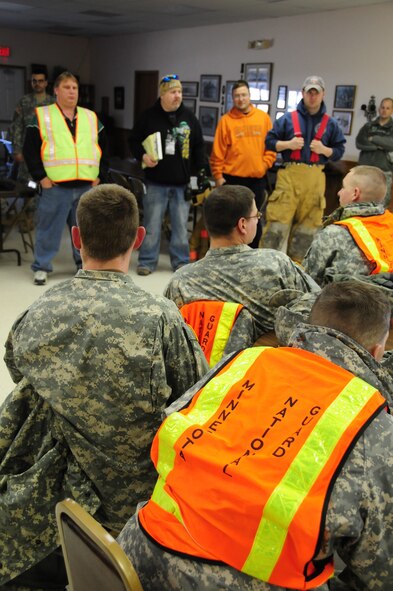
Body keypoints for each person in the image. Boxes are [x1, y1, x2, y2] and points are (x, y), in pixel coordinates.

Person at [118, 280, 393, 591]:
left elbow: (172, 430)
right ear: (377, 351)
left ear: (311, 325)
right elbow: (378, 572)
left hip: (136, 555)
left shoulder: (243, 360)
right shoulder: (374, 428)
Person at [0, 184, 208, 588]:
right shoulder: (162, 319)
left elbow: (15, 368)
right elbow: (194, 398)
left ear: (76, 238)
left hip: (49, 497)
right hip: (129, 509)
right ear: (139, 238)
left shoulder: (36, 310)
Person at [164, 185, 319, 345]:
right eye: (257, 215)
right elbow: (317, 304)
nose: (258, 219)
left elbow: (168, 336)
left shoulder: (180, 282)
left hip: (205, 367)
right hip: (260, 365)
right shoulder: (276, 263)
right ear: (242, 224)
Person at [23, 71, 109, 286]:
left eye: (75, 88)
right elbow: (30, 150)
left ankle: (83, 265)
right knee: (48, 228)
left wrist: (101, 175)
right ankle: (42, 267)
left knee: (85, 230)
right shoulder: (42, 116)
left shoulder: (91, 117)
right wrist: (40, 177)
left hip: (86, 186)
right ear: (56, 90)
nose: (72, 92)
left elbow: (106, 148)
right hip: (55, 187)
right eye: (67, 87)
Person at [129, 74, 208, 276]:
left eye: (180, 92)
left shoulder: (189, 118)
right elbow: (133, 141)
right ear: (163, 94)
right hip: (156, 182)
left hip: (182, 183)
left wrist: (202, 172)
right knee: (152, 225)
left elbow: (199, 146)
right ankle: (147, 262)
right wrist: (143, 156)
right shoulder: (148, 116)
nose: (178, 96)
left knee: (181, 226)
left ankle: (180, 262)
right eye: (173, 92)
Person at [261, 75, 346, 262]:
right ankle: (266, 267)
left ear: (323, 94)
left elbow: (339, 150)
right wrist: (287, 144)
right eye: (310, 92)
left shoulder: (330, 124)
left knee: (307, 232)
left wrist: (324, 150)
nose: (313, 97)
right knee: (276, 228)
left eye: (317, 93)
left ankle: (297, 272)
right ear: (303, 93)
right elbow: (269, 142)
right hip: (289, 177)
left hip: (315, 181)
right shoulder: (287, 120)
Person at [210, 80, 276, 248]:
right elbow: (217, 152)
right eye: (237, 96)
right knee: (231, 221)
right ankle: (230, 254)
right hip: (232, 180)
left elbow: (271, 147)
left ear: (249, 95)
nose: (241, 99)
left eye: (243, 95)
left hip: (256, 180)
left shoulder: (263, 118)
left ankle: (252, 255)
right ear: (233, 98)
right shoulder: (226, 121)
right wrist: (218, 176)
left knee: (254, 220)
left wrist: (264, 164)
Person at [303, 165, 393, 286]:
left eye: (343, 187)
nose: (339, 192)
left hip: (342, 302)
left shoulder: (333, 234)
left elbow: (309, 282)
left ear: (355, 193)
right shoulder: (389, 222)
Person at [9, 66, 54, 184]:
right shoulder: (24, 101)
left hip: (48, 151)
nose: (37, 84)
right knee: (27, 185)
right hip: (27, 149)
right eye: (34, 81)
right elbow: (16, 126)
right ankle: (28, 202)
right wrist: (17, 150)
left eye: (40, 81)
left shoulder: (53, 103)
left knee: (47, 184)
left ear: (46, 83)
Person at [356, 97, 393, 208]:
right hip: (364, 171)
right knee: (360, 204)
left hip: (384, 172)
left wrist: (374, 139)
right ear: (378, 108)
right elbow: (359, 142)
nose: (384, 110)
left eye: (388, 108)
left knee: (380, 206)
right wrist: (378, 147)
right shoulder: (368, 126)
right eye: (382, 107)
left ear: (392, 110)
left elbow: (391, 144)